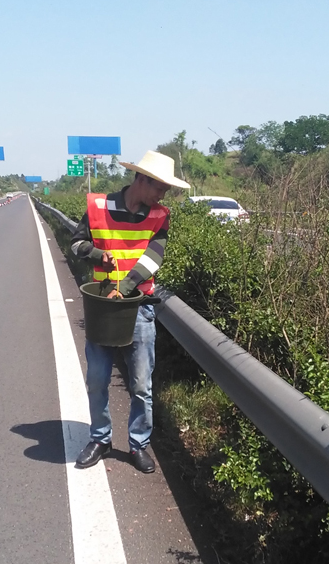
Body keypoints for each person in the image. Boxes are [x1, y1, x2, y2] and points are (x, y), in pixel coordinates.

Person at [70, 150, 190, 474]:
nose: (161, 196)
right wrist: (97, 255)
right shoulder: (98, 206)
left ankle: (138, 444)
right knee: (97, 379)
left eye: (165, 190)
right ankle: (100, 439)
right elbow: (76, 244)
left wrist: (124, 287)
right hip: (103, 308)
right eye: (159, 188)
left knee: (140, 385)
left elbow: (153, 258)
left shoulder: (160, 216)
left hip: (138, 308)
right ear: (141, 179)